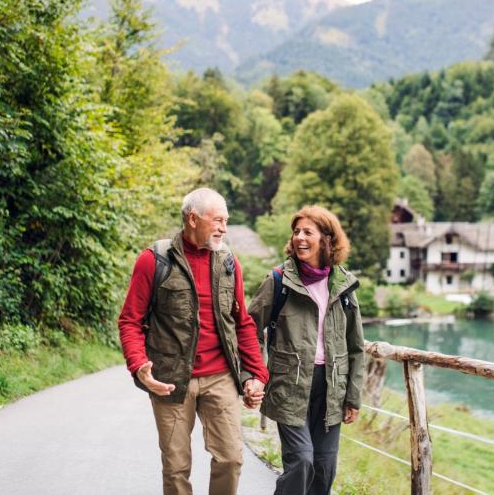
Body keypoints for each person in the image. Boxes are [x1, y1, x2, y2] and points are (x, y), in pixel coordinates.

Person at [118, 188, 269, 495]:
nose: (224, 229)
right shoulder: (154, 260)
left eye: (226, 221)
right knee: (176, 468)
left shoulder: (229, 263)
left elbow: (242, 323)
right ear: (192, 218)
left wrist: (256, 375)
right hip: (170, 380)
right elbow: (130, 321)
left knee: (230, 458)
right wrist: (139, 366)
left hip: (220, 377)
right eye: (218, 220)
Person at [249, 205, 364, 495]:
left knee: (324, 469)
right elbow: (249, 329)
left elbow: (356, 346)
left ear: (327, 239)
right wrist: (256, 374)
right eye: (296, 231)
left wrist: (353, 396)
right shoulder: (278, 281)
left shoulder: (343, 285)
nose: (300, 237)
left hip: (331, 389)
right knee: (301, 462)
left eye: (308, 232)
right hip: (290, 385)